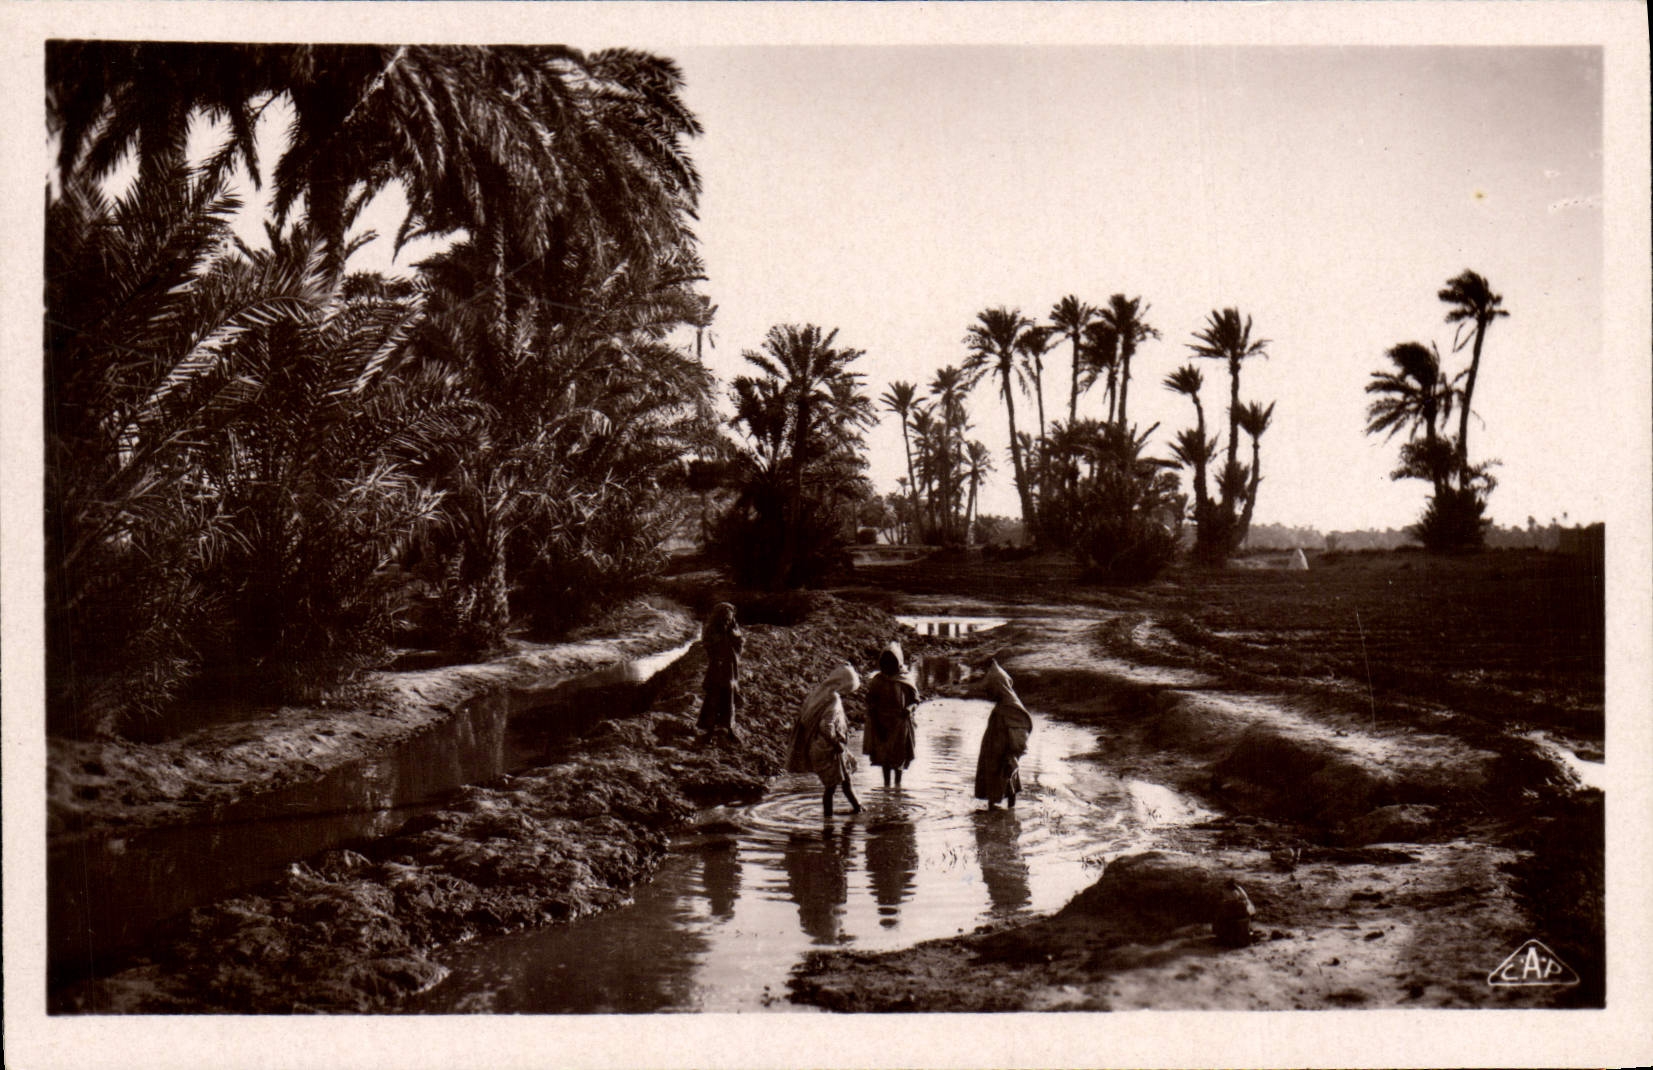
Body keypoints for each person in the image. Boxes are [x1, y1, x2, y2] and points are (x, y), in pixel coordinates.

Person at [788, 663, 864, 818]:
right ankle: (828, 820)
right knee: (832, 787)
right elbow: (826, 726)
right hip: (828, 748)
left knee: (845, 781)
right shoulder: (833, 701)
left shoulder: (820, 694)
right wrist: (836, 743)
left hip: (823, 746)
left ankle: (858, 808)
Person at [973, 660, 1033, 809]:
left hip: (1005, 753)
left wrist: (1012, 754)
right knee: (999, 781)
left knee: (1004, 780)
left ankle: (997, 814)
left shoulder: (1011, 707)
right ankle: (1003, 815)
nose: (989, 695)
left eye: (991, 691)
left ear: (998, 688)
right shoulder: (1002, 705)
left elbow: (1021, 733)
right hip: (995, 752)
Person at [862, 642, 919, 788]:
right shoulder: (878, 680)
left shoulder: (906, 679)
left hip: (900, 723)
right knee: (884, 758)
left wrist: (910, 709)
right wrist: (874, 719)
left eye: (891, 662)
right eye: (885, 662)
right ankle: (887, 786)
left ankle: (897, 786)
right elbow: (870, 701)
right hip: (881, 723)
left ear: (898, 662)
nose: (888, 666)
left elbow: (915, 700)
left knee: (898, 756)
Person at [695, 603, 744, 742]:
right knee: (713, 700)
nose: (727, 621)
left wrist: (733, 636)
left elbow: (739, 643)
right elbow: (709, 645)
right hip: (717, 670)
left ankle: (729, 728)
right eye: (724, 618)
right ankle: (709, 731)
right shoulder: (712, 630)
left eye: (729, 618)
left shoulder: (733, 629)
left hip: (730, 669)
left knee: (729, 698)